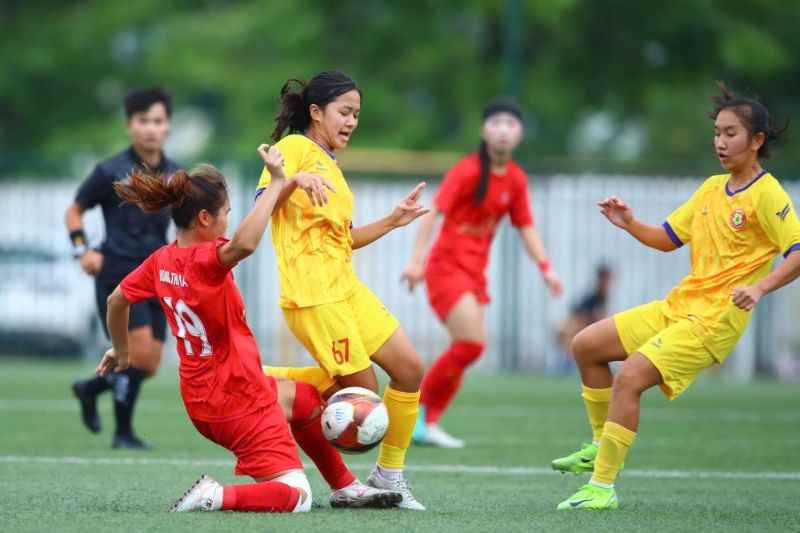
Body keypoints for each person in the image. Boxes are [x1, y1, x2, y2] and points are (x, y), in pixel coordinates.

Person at [96, 145, 401, 512]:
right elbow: (246, 242)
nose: (229, 221)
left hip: (205, 398)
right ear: (205, 218)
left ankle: (346, 487)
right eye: (226, 214)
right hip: (237, 400)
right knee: (297, 497)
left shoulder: (162, 260)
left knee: (304, 400)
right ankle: (215, 496)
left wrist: (121, 350)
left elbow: (116, 300)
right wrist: (277, 181)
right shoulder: (205, 260)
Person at [553, 83, 800, 510]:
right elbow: (667, 238)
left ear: (757, 140)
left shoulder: (768, 194)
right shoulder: (710, 188)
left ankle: (602, 487)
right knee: (586, 345)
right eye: (718, 133)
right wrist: (629, 222)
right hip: (678, 307)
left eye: (731, 133)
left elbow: (796, 252)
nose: (720, 142)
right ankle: (599, 444)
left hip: (713, 322)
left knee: (629, 377)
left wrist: (760, 287)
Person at [257, 71, 429, 510]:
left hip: (346, 288)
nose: (352, 121)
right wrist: (291, 180)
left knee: (408, 368)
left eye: (356, 114)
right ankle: (262, 383)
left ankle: (389, 475)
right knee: (362, 402)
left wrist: (393, 220)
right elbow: (262, 208)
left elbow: (344, 238)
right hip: (313, 296)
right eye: (344, 112)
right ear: (316, 113)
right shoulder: (294, 149)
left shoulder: (331, 165)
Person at [400, 98, 563, 448]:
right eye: (496, 123)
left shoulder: (516, 179)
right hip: (446, 270)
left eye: (511, 124)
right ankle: (418, 414)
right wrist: (416, 261)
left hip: (475, 276)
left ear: (519, 133)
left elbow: (526, 226)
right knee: (472, 345)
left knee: (466, 348)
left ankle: (426, 422)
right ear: (484, 130)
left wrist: (547, 269)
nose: (503, 130)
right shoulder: (467, 170)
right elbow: (432, 212)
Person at [66, 87, 181, 449]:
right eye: (143, 120)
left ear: (168, 126)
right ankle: (123, 433)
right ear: (129, 125)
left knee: (149, 363)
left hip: (158, 273)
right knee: (137, 352)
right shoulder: (110, 170)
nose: (151, 128)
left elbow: (187, 222)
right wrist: (83, 251)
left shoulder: (177, 174)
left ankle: (90, 388)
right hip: (117, 270)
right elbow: (74, 211)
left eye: (158, 121)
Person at [552, 265, 613, 374]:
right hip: (580, 326)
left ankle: (569, 365)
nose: (609, 283)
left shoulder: (603, 297)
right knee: (568, 334)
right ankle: (564, 365)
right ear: (600, 279)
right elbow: (578, 316)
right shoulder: (592, 297)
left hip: (587, 328)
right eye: (607, 279)